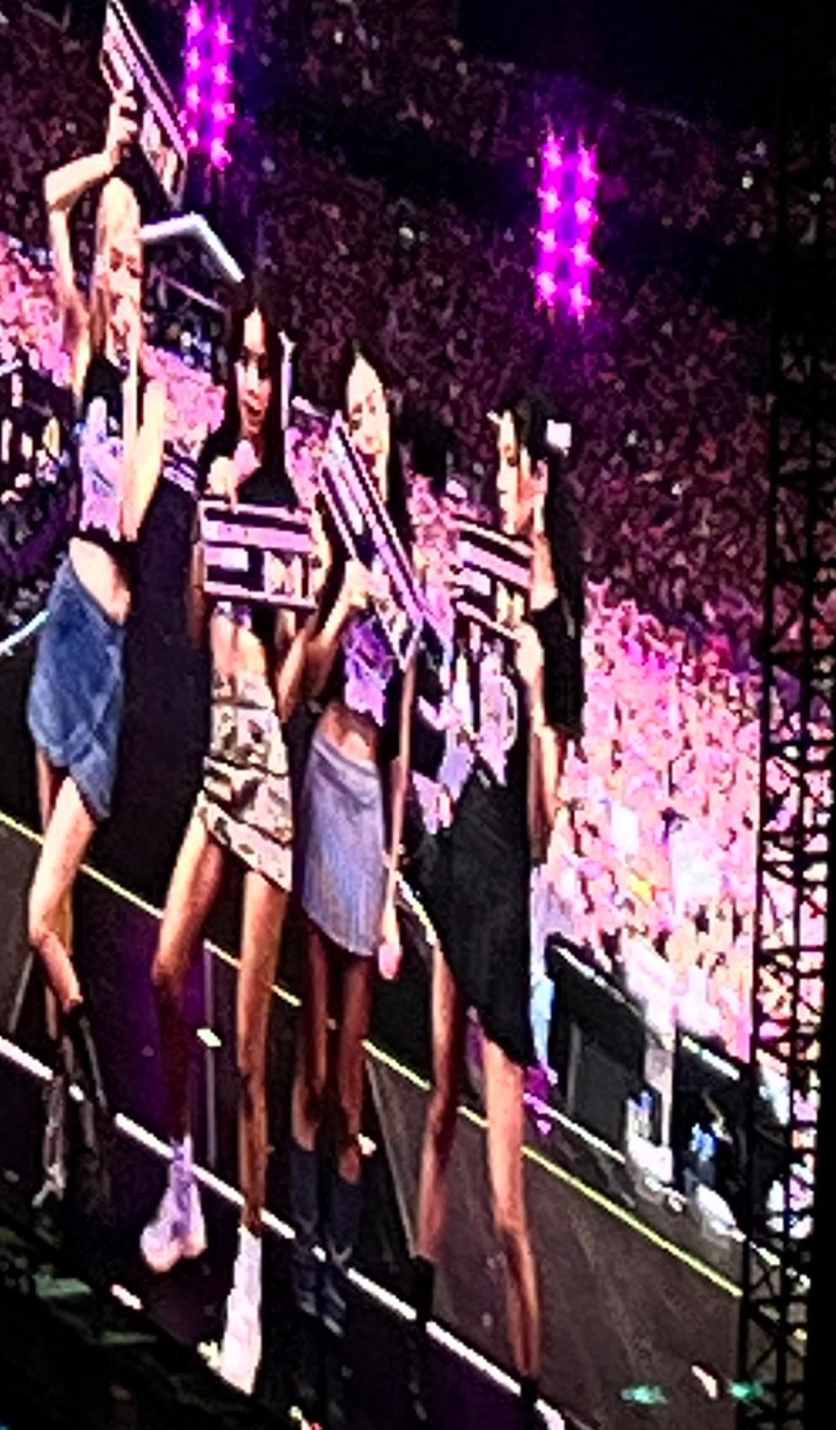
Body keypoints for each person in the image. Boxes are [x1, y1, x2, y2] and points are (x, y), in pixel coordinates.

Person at [407, 396, 585, 1422]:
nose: (502, 478)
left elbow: (545, 827)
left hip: (506, 890)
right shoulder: (487, 572)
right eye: (498, 458)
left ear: (543, 482)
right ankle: (414, 1326)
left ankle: (527, 1393)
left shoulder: (556, 631)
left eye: (515, 463)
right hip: (457, 860)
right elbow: (465, 728)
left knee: (508, 1202)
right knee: (435, 1110)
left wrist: (532, 683)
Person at [139, 281, 303, 1391]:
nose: (249, 382)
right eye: (239, 361)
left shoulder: (290, 497)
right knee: (164, 970)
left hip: (267, 774)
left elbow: (286, 673)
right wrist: (210, 523)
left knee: (248, 1046)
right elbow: (197, 625)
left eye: (263, 365)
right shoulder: (220, 469)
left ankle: (248, 1274)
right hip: (213, 762)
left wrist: (288, 580)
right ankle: (183, 1182)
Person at [24, 91, 166, 1209]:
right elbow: (48, 198)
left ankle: (94, 1099)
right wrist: (110, 158)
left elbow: (127, 512)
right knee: (50, 911)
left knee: (48, 900)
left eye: (132, 261)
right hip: (62, 625)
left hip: (108, 651)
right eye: (111, 258)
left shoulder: (149, 394)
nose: (117, 275)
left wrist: (132, 354)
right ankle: (57, 1122)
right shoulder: (79, 349)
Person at [283, 343, 417, 1339]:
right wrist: (340, 598)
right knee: (312, 1047)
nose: (364, 424)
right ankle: (302, 1251)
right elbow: (310, 673)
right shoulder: (334, 536)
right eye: (352, 409)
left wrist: (394, 877)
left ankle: (338, 1250)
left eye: (374, 409)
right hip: (321, 778)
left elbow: (404, 737)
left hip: (370, 807)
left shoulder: (411, 562)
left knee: (352, 1059)